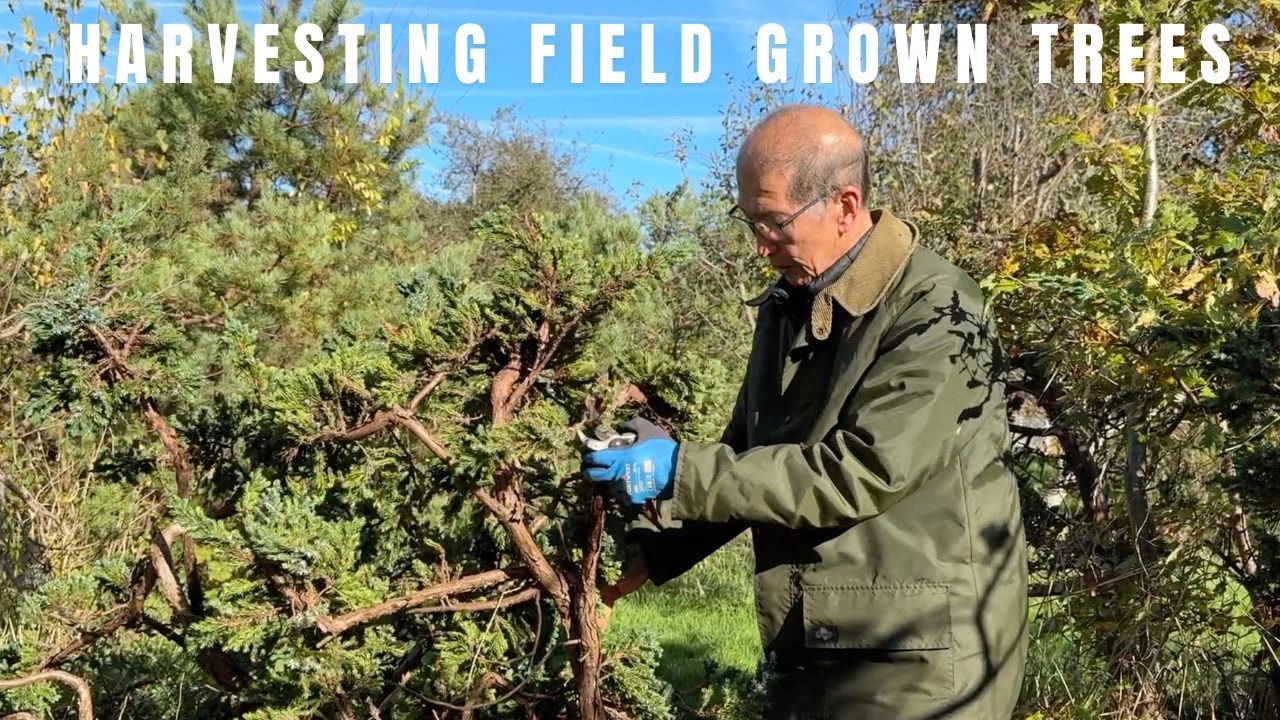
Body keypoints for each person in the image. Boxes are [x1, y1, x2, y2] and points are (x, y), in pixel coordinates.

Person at [582, 104, 1028, 719]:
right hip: (816, 638)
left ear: (845, 206)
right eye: (750, 222)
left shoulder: (938, 309)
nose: (760, 248)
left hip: (919, 656)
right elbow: (750, 456)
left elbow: (859, 470)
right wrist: (655, 553)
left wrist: (681, 471)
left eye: (773, 223)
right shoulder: (789, 302)